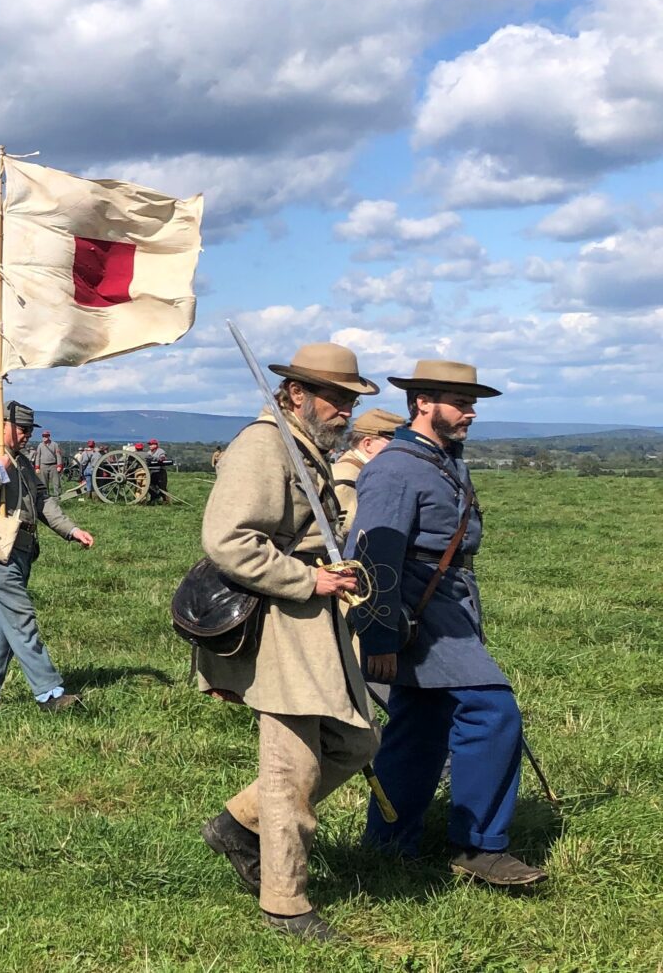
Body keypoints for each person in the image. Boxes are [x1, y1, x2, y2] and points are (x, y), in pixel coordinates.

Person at [196, 342, 379, 942]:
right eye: (334, 397)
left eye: (350, 400)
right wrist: (309, 578)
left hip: (314, 618)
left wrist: (338, 568)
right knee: (290, 767)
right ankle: (285, 903)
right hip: (279, 620)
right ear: (296, 393)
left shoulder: (305, 449)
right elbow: (228, 540)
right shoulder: (264, 444)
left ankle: (237, 824)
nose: (343, 411)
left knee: (357, 740)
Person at [353, 361, 546, 888]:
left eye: (472, 401)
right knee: (491, 709)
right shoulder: (395, 469)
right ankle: (479, 846)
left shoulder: (442, 459)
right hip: (415, 613)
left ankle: (390, 845)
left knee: (420, 724)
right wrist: (378, 635)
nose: (470, 411)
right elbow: (372, 558)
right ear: (422, 403)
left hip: (445, 607)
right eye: (459, 401)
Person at [0, 401, 94, 710]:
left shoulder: (22, 460)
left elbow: (42, 499)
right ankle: (49, 693)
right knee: (20, 617)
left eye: (30, 430)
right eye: (23, 429)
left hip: (19, 544)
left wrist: (71, 530)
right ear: (2, 425)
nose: (28, 435)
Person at [329, 408, 404, 523]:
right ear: (368, 444)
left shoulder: (359, 471)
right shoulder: (348, 479)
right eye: (394, 443)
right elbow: (344, 531)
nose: (402, 450)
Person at [34, 431, 63, 495]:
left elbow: (58, 455)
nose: (44, 437)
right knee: (44, 482)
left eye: (46, 436)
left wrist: (59, 466)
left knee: (56, 482)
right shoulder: (40, 445)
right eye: (43, 436)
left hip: (53, 465)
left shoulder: (55, 444)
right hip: (43, 465)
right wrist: (37, 467)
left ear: (48, 436)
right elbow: (37, 457)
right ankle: (45, 496)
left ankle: (58, 495)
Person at [146, 438, 173, 504]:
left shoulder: (160, 451)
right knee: (150, 486)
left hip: (160, 471)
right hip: (152, 472)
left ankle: (166, 500)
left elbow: (162, 457)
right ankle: (153, 498)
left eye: (151, 444)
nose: (150, 446)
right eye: (149, 444)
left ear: (156, 445)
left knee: (162, 487)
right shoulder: (148, 452)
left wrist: (159, 459)